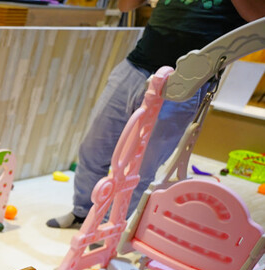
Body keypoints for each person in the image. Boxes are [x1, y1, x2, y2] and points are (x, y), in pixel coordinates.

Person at [47, 0, 262, 229]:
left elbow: (258, 17)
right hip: (136, 64)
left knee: (142, 167)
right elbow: (124, 6)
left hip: (187, 81)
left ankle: (109, 227)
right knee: (93, 148)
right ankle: (82, 213)